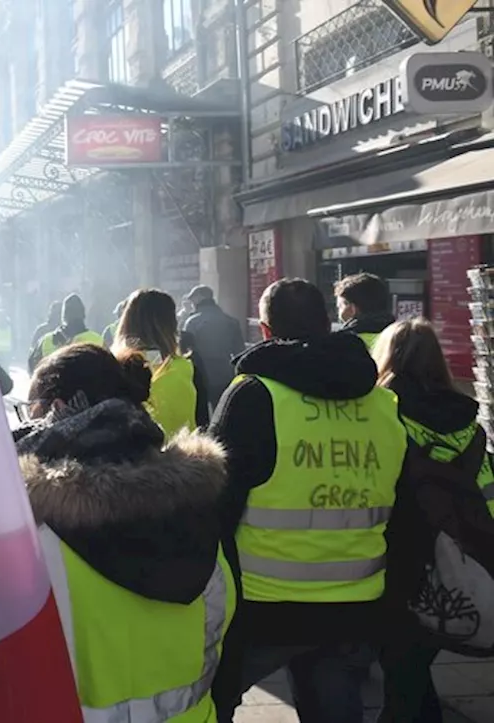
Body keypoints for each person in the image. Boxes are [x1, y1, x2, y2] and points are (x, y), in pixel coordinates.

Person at [210, 278, 408, 723]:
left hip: (265, 606)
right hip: (356, 602)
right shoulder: (381, 402)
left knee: (212, 705)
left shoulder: (253, 395)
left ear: (264, 330)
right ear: (331, 322)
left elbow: (217, 502)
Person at [16, 343, 234, 722]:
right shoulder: (198, 505)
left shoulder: (30, 530)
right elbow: (226, 626)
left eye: (33, 410)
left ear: (58, 409)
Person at [372, 319, 494, 722]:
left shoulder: (384, 414)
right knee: (413, 665)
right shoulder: (469, 424)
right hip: (457, 554)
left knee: (401, 669)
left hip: (400, 558)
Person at [111, 289, 209, 437]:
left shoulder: (111, 368)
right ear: (171, 325)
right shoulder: (188, 368)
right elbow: (203, 425)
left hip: (130, 458)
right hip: (181, 456)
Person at [181, 285, 245, 409]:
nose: (192, 303)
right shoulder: (231, 321)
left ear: (200, 298)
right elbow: (239, 353)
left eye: (193, 299)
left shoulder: (191, 322)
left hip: (199, 376)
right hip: (226, 375)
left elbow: (184, 352)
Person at [29, 294, 104, 371]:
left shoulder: (46, 341)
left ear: (64, 316)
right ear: (83, 314)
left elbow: (32, 369)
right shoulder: (98, 340)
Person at [335, 273, 395, 349]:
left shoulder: (342, 342)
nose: (338, 312)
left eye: (340, 306)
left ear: (353, 309)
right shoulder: (401, 337)